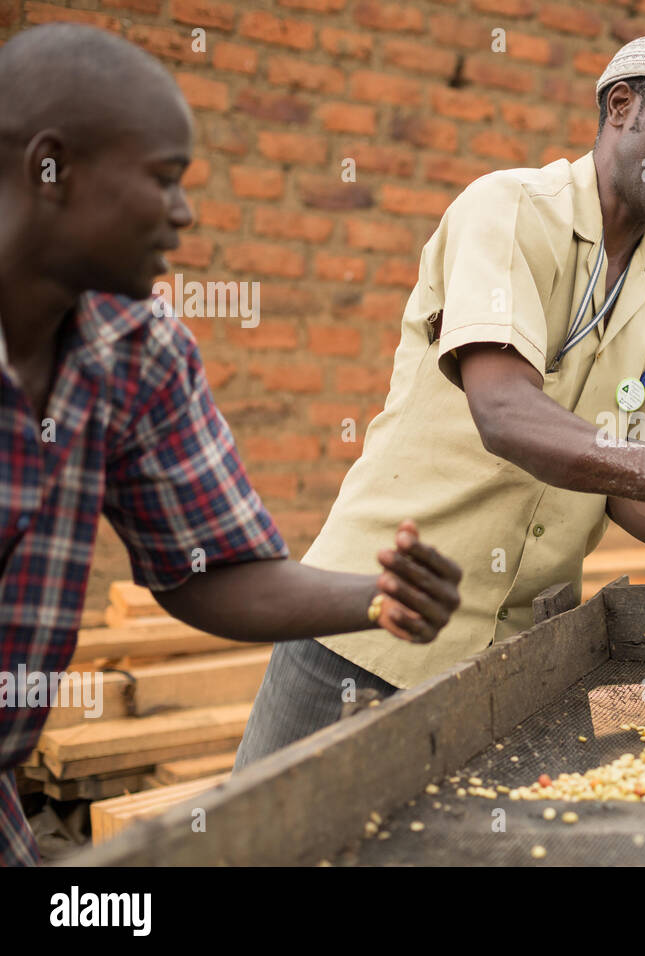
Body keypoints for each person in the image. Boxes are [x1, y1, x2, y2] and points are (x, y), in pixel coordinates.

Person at [235, 33, 645, 770]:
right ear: (621, 107)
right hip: (372, 624)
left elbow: (643, 491)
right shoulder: (508, 211)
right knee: (264, 839)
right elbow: (505, 414)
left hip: (520, 661)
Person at [0, 24, 461, 866]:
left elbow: (210, 570)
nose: (183, 213)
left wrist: (379, 597)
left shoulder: (136, 351)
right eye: (164, 180)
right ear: (51, 168)